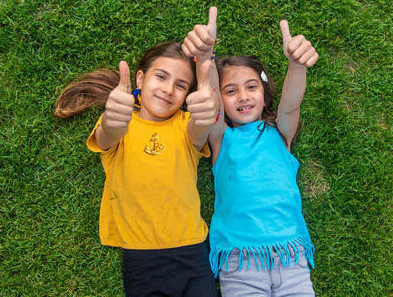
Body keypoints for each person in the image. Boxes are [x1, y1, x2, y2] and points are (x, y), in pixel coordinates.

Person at [54, 39, 220, 295]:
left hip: (193, 250)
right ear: (140, 79)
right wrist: (113, 121)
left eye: (181, 85)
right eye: (161, 77)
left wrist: (206, 116)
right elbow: (107, 136)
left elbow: (200, 129)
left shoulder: (186, 124)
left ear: (187, 95)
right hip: (141, 256)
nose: (168, 89)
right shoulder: (119, 123)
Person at [183, 18, 319, 296]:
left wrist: (296, 65)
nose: (243, 96)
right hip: (239, 259)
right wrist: (206, 57)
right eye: (230, 91)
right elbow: (211, 102)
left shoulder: (281, 133)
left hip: (291, 255)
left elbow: (292, 104)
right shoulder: (220, 138)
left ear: (265, 93)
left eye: (251, 87)